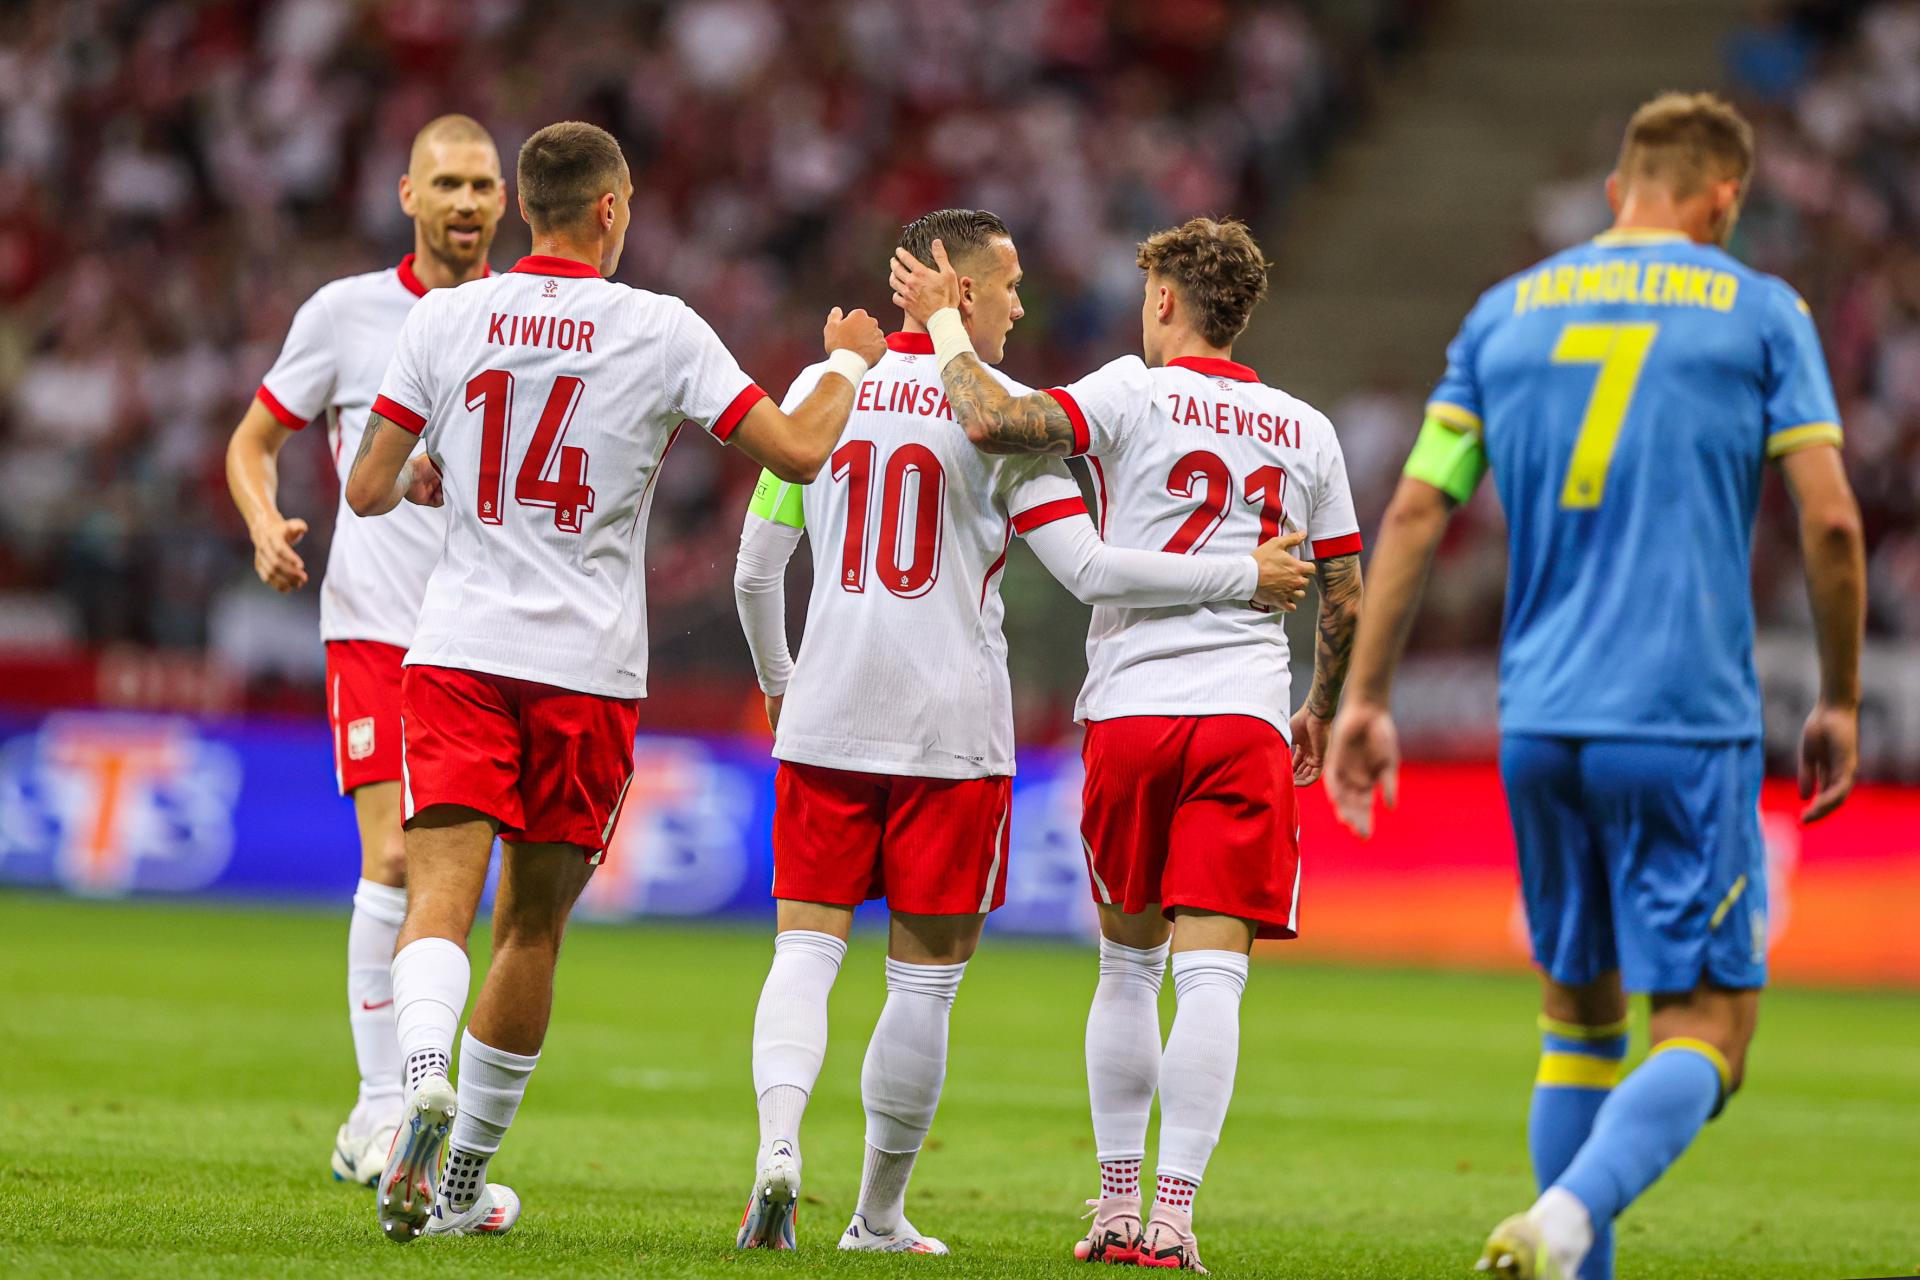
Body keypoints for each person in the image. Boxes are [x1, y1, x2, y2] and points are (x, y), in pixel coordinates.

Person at [1319, 92, 1866, 1280]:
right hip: (1679, 716)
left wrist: (1365, 695)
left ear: (1618, 192)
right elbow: (1829, 520)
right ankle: (1565, 1225)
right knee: (1712, 1025)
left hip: (1540, 718)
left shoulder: (1504, 314)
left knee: (1578, 1017)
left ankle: (1568, 1250)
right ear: (1724, 199)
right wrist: (1839, 695)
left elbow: (1414, 507)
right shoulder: (1763, 312)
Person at [731, 209, 1315, 1255]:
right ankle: (874, 1213)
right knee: (924, 980)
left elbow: (753, 571)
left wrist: (782, 683)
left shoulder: (824, 392)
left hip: (825, 715)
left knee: (805, 952)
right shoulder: (992, 424)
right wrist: (1243, 574)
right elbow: (1091, 569)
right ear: (958, 289)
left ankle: (778, 1148)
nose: (1019, 304)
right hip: (951, 727)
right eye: (1005, 286)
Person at [342, 120, 885, 1244]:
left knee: (435, 893)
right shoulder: (661, 328)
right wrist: (848, 363)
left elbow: (367, 486)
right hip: (585, 668)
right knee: (529, 927)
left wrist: (440, 471)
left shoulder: (444, 317)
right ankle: (459, 1178)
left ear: (521, 206)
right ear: (607, 209)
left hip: (455, 648)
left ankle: (421, 1083)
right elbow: (794, 449)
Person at [889, 217, 1366, 1271]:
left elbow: (997, 420)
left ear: (1163, 301)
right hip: (1244, 712)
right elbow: (1343, 593)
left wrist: (942, 331)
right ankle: (1176, 1215)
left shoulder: (1129, 392)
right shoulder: (1307, 428)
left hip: (1133, 712)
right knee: (1213, 982)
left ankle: (1112, 1202)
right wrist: (1323, 702)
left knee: (1125, 965)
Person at [224, 113, 505, 1189]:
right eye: (449, 183)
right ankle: (380, 1108)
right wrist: (264, 519)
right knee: (392, 858)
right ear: (406, 193)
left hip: (486, 633)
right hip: (379, 627)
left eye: (484, 184)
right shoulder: (345, 314)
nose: (469, 202)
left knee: (457, 885)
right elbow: (255, 438)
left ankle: (408, 1109)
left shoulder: (524, 314)